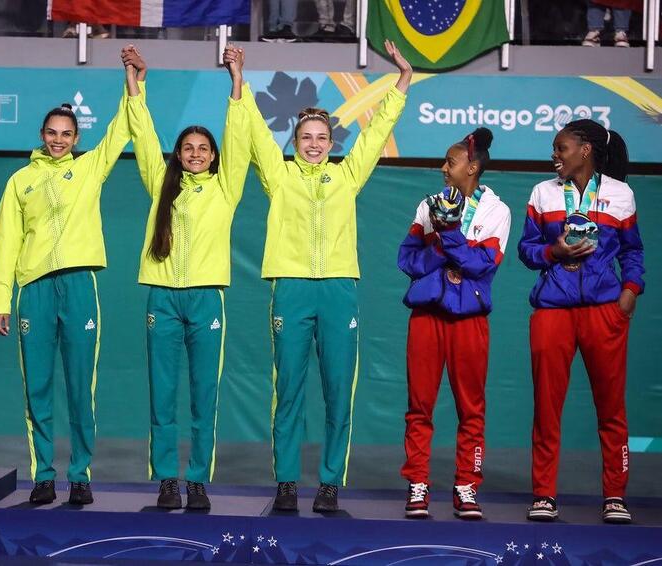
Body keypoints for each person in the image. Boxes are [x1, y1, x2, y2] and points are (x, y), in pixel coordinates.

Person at [242, 40, 411, 513]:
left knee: (339, 391)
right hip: (291, 289)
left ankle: (330, 483)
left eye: (321, 138)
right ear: (293, 143)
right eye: (305, 138)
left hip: (339, 289)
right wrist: (239, 83)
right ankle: (286, 484)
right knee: (289, 391)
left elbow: (377, 132)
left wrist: (402, 80)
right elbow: (254, 132)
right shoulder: (278, 177)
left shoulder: (347, 176)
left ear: (332, 143)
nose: (314, 145)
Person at [0, 51, 144, 506]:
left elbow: (123, 129)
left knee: (81, 386)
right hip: (33, 291)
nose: (58, 140)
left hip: (79, 286)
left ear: (77, 137)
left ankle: (80, 474)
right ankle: (42, 474)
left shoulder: (91, 168)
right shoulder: (20, 181)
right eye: (52, 134)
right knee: (36, 387)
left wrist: (133, 82)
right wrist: (1, 298)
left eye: (67, 134)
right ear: (41, 135)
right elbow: (5, 243)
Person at [121, 45, 250, 510]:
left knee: (204, 396)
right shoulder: (160, 183)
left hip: (206, 300)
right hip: (163, 299)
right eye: (187, 148)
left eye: (203, 149)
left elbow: (239, 136)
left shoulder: (227, 187)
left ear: (214, 156)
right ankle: (166, 481)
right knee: (163, 395)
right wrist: (137, 81)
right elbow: (142, 130)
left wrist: (236, 80)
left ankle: (197, 480)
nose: (195, 154)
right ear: (177, 154)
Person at [518, 119, 643, 524]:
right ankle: (544, 494)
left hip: (604, 311)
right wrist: (552, 252)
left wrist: (629, 293)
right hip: (553, 310)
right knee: (546, 406)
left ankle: (615, 496)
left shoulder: (621, 194)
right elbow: (525, 249)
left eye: (561, 148)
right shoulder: (542, 193)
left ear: (585, 149)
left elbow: (633, 251)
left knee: (610, 408)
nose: (555, 155)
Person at [397, 128, 511, 521]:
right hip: (427, 317)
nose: (443, 168)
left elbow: (483, 266)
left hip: (469, 321)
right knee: (419, 406)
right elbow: (407, 261)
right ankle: (418, 483)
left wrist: (448, 235)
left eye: (451, 161)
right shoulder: (427, 205)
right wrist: (443, 246)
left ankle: (466, 485)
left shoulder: (497, 211)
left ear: (473, 167)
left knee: (471, 408)